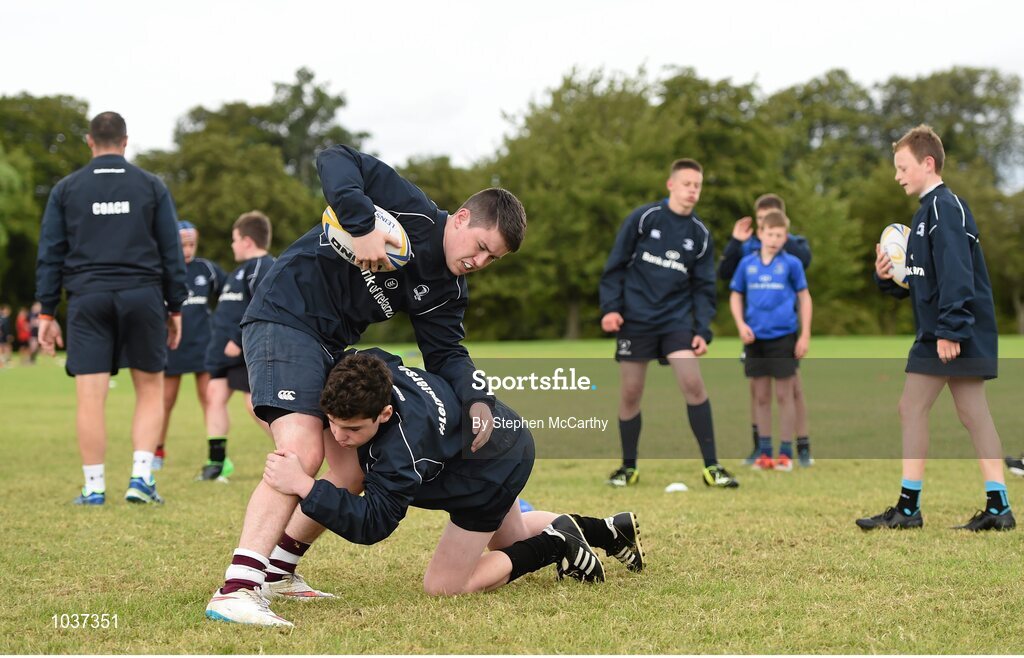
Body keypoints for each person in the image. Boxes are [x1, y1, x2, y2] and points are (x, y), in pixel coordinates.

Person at [205, 145, 527, 618]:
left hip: (329, 345)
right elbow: (333, 157)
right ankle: (237, 590)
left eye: (492, 259)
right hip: (286, 318)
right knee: (302, 452)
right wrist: (362, 226)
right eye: (481, 246)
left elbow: (447, 354)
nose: (480, 261)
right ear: (460, 219)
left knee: (352, 469)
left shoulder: (447, 288)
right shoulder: (411, 210)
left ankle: (278, 574)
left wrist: (478, 398)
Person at [205, 349, 644, 626]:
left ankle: (553, 546)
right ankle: (607, 530)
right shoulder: (373, 368)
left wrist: (304, 485)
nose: (337, 437)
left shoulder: (403, 454)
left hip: (491, 468)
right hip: (498, 436)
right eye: (332, 423)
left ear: (382, 414)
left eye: (351, 429)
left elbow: (373, 524)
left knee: (445, 585)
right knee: (510, 537)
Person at [856, 124, 1014, 532]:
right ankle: (992, 508)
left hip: (956, 330)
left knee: (953, 412)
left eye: (902, 166)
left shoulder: (946, 207)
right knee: (953, 412)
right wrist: (885, 275)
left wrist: (951, 330)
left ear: (928, 163)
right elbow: (921, 281)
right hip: (942, 330)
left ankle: (920, 510)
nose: (897, 175)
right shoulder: (924, 212)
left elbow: (958, 274)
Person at [35, 110, 187, 506]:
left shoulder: (66, 189)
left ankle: (94, 486)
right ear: (124, 141)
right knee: (150, 390)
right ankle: (140, 480)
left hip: (88, 298)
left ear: (89, 141)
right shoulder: (151, 186)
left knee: (90, 395)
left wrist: (47, 313)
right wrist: (176, 307)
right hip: (143, 296)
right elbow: (172, 250)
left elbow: (50, 255)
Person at [598, 158, 738, 489]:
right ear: (671, 185)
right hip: (635, 320)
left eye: (698, 186)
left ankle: (713, 468)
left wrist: (703, 329)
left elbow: (704, 288)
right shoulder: (645, 219)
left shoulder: (700, 235)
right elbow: (615, 265)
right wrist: (610, 308)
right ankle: (627, 468)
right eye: (687, 184)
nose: (693, 190)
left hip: (676, 321)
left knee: (692, 384)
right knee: (631, 392)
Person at [718, 194, 814, 467]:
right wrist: (740, 325)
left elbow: (804, 296)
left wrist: (804, 334)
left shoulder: (793, 259)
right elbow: (731, 288)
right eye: (766, 230)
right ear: (759, 231)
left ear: (785, 233)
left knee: (788, 393)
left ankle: (790, 450)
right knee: (759, 395)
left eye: (778, 233)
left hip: (784, 336)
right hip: (754, 338)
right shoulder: (746, 259)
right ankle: (763, 450)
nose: (773, 237)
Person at [197, 211, 275, 481]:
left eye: (234, 240)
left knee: (254, 405)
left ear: (246, 241)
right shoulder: (239, 271)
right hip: (221, 353)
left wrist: (236, 339)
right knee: (214, 397)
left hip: (244, 349)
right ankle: (216, 463)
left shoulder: (263, 267)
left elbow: (262, 307)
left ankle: (295, 448)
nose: (231, 245)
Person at [154, 221, 226, 472]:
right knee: (165, 401)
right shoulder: (164, 271)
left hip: (204, 346)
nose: (187, 249)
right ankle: (157, 450)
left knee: (209, 399)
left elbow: (229, 298)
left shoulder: (207, 269)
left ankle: (215, 455)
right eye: (182, 244)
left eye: (191, 244)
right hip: (172, 346)